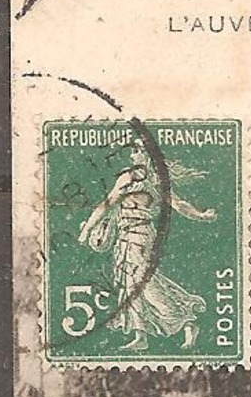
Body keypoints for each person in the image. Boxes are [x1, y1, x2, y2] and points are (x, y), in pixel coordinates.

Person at [79, 144, 216, 351]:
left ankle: (186, 321)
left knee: (147, 284)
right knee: (129, 284)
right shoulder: (125, 179)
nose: (133, 154)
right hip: (123, 238)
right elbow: (106, 204)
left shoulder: (156, 181)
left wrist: (201, 215)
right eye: (133, 151)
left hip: (142, 236)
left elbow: (178, 204)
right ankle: (140, 334)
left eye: (139, 150)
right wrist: (87, 229)